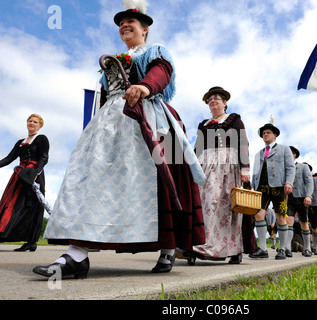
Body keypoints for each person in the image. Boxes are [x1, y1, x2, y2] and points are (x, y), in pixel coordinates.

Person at [33, 1, 206, 279]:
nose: (124, 26)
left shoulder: (155, 51)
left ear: (145, 29)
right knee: (92, 178)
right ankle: (77, 255)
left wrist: (145, 86)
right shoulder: (114, 61)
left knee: (162, 179)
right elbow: (104, 95)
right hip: (110, 124)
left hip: (149, 116)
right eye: (121, 24)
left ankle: (169, 248)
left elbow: (162, 72)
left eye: (131, 22)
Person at [189, 86, 254, 264]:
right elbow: (197, 148)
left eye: (217, 98)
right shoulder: (204, 124)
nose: (213, 101)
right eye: (210, 99)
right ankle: (201, 245)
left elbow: (242, 142)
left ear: (225, 103)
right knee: (204, 203)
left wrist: (245, 167)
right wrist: (192, 167)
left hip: (227, 164)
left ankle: (233, 249)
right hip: (205, 163)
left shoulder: (234, 120)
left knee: (226, 206)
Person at [0, 114, 49, 252]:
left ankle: (31, 242)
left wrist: (35, 174)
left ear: (39, 126)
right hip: (20, 176)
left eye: (35, 122)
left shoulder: (41, 139)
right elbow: (9, 158)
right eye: (30, 121)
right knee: (14, 205)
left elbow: (44, 158)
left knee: (33, 206)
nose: (32, 123)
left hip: (34, 176)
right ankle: (7, 234)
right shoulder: (20, 142)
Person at [250, 118, 295, 260]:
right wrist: (252, 187)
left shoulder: (284, 149)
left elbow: (290, 167)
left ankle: (282, 248)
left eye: (268, 132)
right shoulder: (258, 154)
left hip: (279, 187)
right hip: (261, 188)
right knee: (258, 214)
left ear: (275, 135)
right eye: (263, 133)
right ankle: (262, 248)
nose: (265, 135)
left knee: (281, 216)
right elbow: (255, 172)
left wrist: (289, 182)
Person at [285, 145, 313, 257]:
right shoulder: (284, 168)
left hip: (302, 198)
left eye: (290, 153)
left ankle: (307, 247)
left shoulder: (303, 167)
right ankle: (287, 247)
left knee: (303, 223)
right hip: (289, 198)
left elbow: (309, 182)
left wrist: (308, 196)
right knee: (288, 222)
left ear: (294, 155)